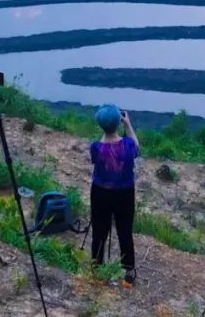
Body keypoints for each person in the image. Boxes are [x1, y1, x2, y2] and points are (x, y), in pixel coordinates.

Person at [89, 104, 139, 287]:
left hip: (100, 192)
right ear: (119, 122)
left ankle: (96, 269)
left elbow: (99, 154)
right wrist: (128, 125)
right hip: (124, 193)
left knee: (99, 230)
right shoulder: (128, 145)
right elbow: (137, 149)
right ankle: (129, 271)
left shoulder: (95, 147)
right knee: (125, 230)